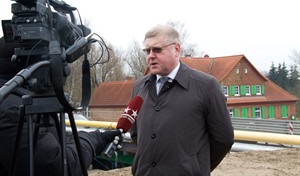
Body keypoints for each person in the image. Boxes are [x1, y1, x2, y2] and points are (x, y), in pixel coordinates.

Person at [0, 36, 120, 176]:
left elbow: (47, 142)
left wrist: (93, 137)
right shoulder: (11, 111)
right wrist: (95, 140)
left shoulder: (15, 100)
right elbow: (61, 167)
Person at [130, 25, 234, 176]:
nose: (150, 56)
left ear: (177, 49)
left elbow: (223, 139)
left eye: (157, 50)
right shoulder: (139, 87)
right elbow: (136, 134)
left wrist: (196, 167)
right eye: (147, 51)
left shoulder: (206, 86)